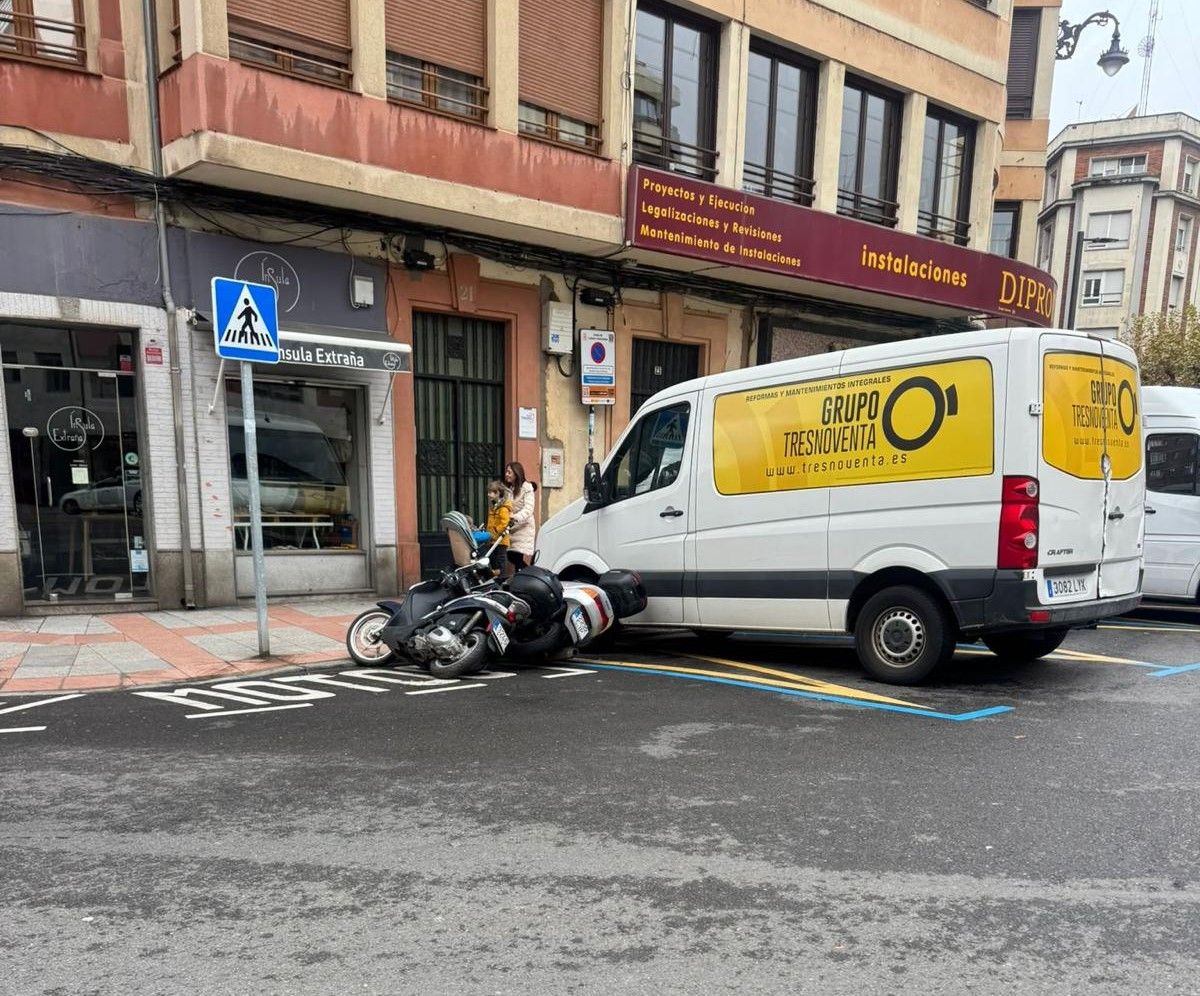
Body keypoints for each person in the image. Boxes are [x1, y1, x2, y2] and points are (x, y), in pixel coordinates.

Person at [504, 461, 538, 575]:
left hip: (524, 527)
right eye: (506, 472)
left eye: (509, 472)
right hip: (513, 527)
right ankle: (525, 576)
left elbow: (528, 509)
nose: (506, 474)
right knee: (512, 556)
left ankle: (529, 575)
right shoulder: (510, 489)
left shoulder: (527, 487)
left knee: (516, 557)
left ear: (516, 473)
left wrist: (515, 517)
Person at [482, 480, 512, 575]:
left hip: (500, 541)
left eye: (490, 492)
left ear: (498, 493)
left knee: (500, 563)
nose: (488, 494)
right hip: (493, 540)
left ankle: (501, 579)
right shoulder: (495, 506)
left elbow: (504, 523)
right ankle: (496, 576)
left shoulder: (503, 508)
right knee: (493, 562)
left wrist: (494, 532)